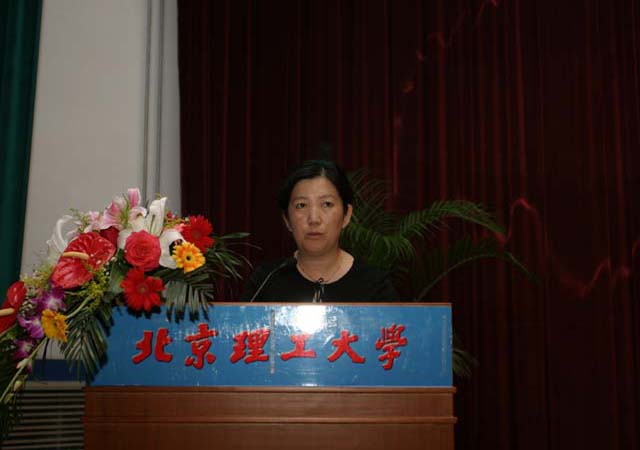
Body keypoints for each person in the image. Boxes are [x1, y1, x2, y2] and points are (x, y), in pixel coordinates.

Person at [241, 159, 398, 302]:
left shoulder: (376, 286)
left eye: (327, 204)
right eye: (301, 205)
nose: (314, 219)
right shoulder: (265, 282)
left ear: (346, 215)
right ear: (287, 220)